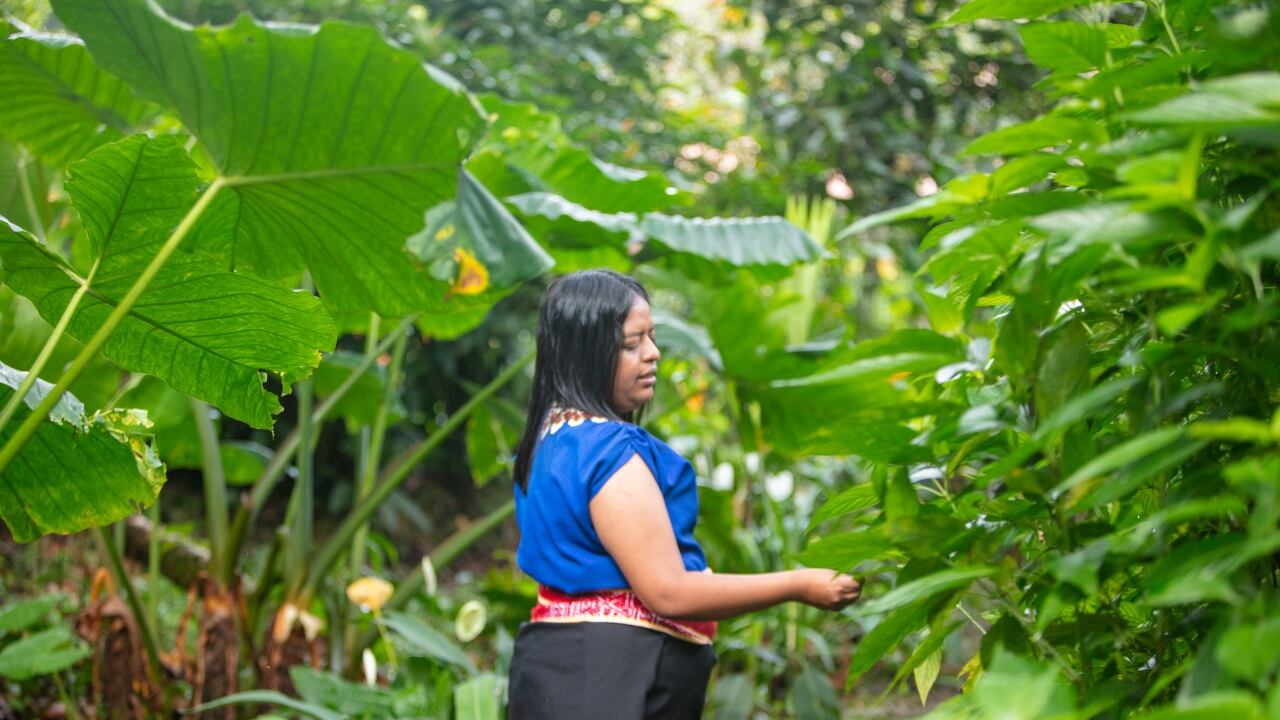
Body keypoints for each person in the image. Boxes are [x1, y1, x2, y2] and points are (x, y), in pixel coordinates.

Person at [507, 269, 861, 719]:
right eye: (632, 344)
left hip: (556, 672)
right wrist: (798, 585)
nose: (653, 354)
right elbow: (668, 592)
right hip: (616, 678)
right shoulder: (609, 453)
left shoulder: (549, 438)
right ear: (588, 353)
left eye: (651, 338)